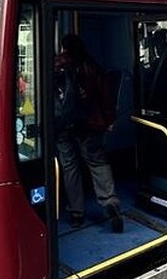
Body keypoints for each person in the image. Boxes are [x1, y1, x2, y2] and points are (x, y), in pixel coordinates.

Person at [55, 34, 123, 232]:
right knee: (97, 162)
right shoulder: (91, 66)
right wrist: (109, 120)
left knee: (70, 167)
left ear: (63, 47)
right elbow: (105, 96)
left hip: (63, 125)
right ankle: (109, 201)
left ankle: (77, 212)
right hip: (90, 123)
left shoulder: (56, 65)